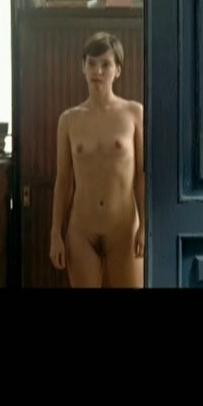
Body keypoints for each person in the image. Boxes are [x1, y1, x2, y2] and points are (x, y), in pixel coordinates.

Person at [49, 31, 145, 288]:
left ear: (118, 70)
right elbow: (63, 180)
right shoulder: (69, 120)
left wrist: (145, 226)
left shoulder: (134, 114)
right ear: (83, 67)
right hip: (82, 230)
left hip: (123, 229)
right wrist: (55, 233)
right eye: (91, 63)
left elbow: (142, 175)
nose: (98, 71)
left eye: (105, 64)